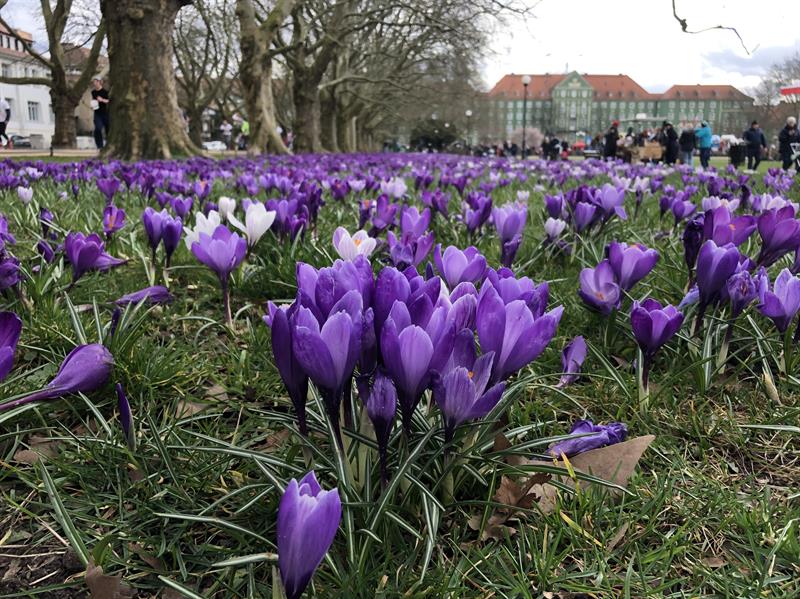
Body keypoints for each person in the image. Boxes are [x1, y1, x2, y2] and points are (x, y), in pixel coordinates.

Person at [91, 77, 110, 150]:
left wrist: (102, 100)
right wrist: (93, 105)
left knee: (108, 129)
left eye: (96, 82)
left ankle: (108, 144)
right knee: (98, 129)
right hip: (97, 113)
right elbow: (94, 100)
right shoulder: (93, 92)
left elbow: (109, 101)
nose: (95, 84)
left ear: (100, 82)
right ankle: (100, 146)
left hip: (105, 113)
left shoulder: (105, 92)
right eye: (94, 82)